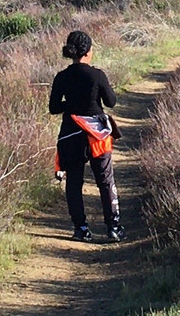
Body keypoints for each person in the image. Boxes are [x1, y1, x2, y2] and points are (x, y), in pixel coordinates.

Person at [49, 30, 124, 242]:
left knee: (74, 181)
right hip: (97, 136)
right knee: (105, 180)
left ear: (71, 52)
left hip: (71, 134)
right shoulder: (97, 75)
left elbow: (54, 108)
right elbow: (111, 102)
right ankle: (113, 228)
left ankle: (81, 229)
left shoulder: (61, 77)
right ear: (88, 52)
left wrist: (72, 105)